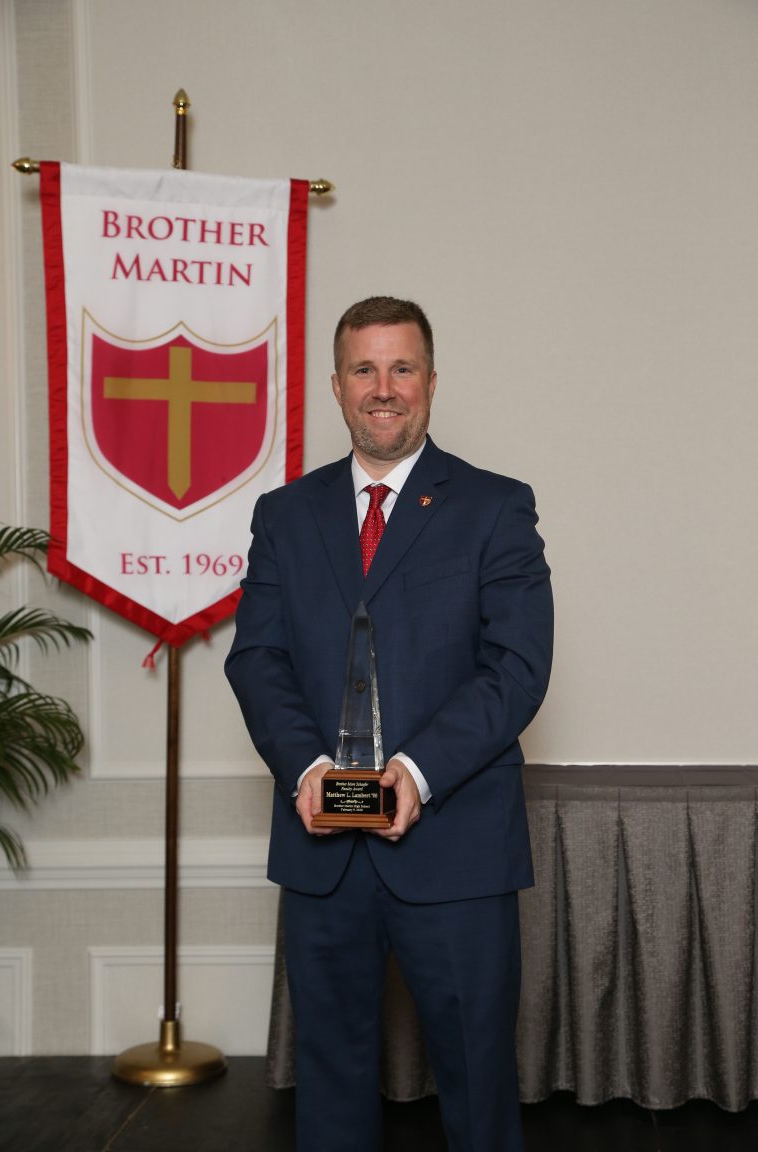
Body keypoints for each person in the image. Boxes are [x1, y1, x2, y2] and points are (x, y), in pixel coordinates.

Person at [225, 296, 553, 1152]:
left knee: (479, 1089)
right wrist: (307, 769)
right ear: (336, 386)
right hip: (322, 851)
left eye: (401, 368)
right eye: (364, 369)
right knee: (329, 1092)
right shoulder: (284, 515)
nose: (383, 388)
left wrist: (415, 769)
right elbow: (256, 659)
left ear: (431, 382)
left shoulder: (495, 507)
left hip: (458, 847)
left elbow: (516, 669)